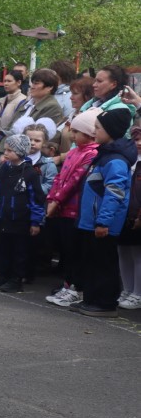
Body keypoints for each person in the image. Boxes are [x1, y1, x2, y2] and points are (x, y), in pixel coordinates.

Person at [74, 110, 136, 316]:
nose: (94, 131)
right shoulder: (103, 155)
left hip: (103, 224)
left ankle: (105, 303)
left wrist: (103, 222)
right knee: (91, 261)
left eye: (98, 128)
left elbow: (115, 193)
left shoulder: (115, 160)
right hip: (91, 221)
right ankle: (91, 299)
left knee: (104, 264)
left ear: (111, 130)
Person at [44, 109, 101, 307]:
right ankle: (68, 284)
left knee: (76, 251)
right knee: (67, 250)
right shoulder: (74, 152)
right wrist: (52, 198)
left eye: (77, 132)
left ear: (90, 133)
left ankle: (76, 288)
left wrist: (57, 201)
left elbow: (75, 180)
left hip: (75, 209)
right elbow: (60, 177)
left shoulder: (92, 153)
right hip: (62, 208)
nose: (72, 135)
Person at [0, 134, 45, 293]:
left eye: (10, 150)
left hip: (20, 219)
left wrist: (35, 221)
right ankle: (2, 275)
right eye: (5, 149)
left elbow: (36, 198)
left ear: (20, 152)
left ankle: (15, 279)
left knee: (19, 251)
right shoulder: (4, 169)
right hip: (2, 217)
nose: (5, 153)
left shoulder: (30, 173)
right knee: (2, 248)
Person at [116, 123, 141, 310]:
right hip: (124, 214)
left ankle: (137, 293)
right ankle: (127, 289)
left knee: (137, 254)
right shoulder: (129, 161)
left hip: (137, 215)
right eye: (136, 139)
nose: (139, 143)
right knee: (123, 252)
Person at [0, 69, 27, 138]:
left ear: (19, 82)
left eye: (9, 81)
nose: (6, 84)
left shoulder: (23, 101)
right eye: (4, 81)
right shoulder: (1, 100)